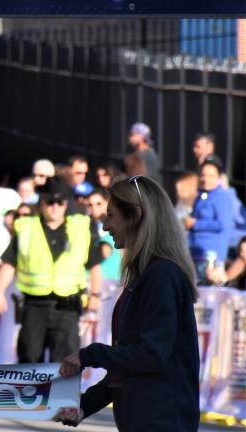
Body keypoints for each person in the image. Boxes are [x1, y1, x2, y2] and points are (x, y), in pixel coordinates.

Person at [55, 175, 200, 431]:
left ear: (136, 215)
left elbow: (151, 356)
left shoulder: (162, 275)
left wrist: (89, 354)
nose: (104, 226)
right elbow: (126, 369)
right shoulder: (146, 275)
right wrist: (84, 405)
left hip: (162, 421)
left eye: (111, 216)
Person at [0, 177, 103, 363]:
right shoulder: (26, 227)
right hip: (34, 305)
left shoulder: (80, 228)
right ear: (42, 203)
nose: (55, 207)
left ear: (66, 204)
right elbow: (9, 262)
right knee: (29, 359)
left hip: (68, 306)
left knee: (65, 362)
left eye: (60, 202)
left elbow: (94, 264)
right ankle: (28, 393)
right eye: (50, 202)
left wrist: (96, 295)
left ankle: (61, 394)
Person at [185, 155, 234, 284]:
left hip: (209, 256)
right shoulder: (201, 195)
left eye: (210, 176)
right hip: (195, 253)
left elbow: (222, 224)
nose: (205, 179)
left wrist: (196, 224)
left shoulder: (221, 197)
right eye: (203, 175)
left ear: (219, 177)